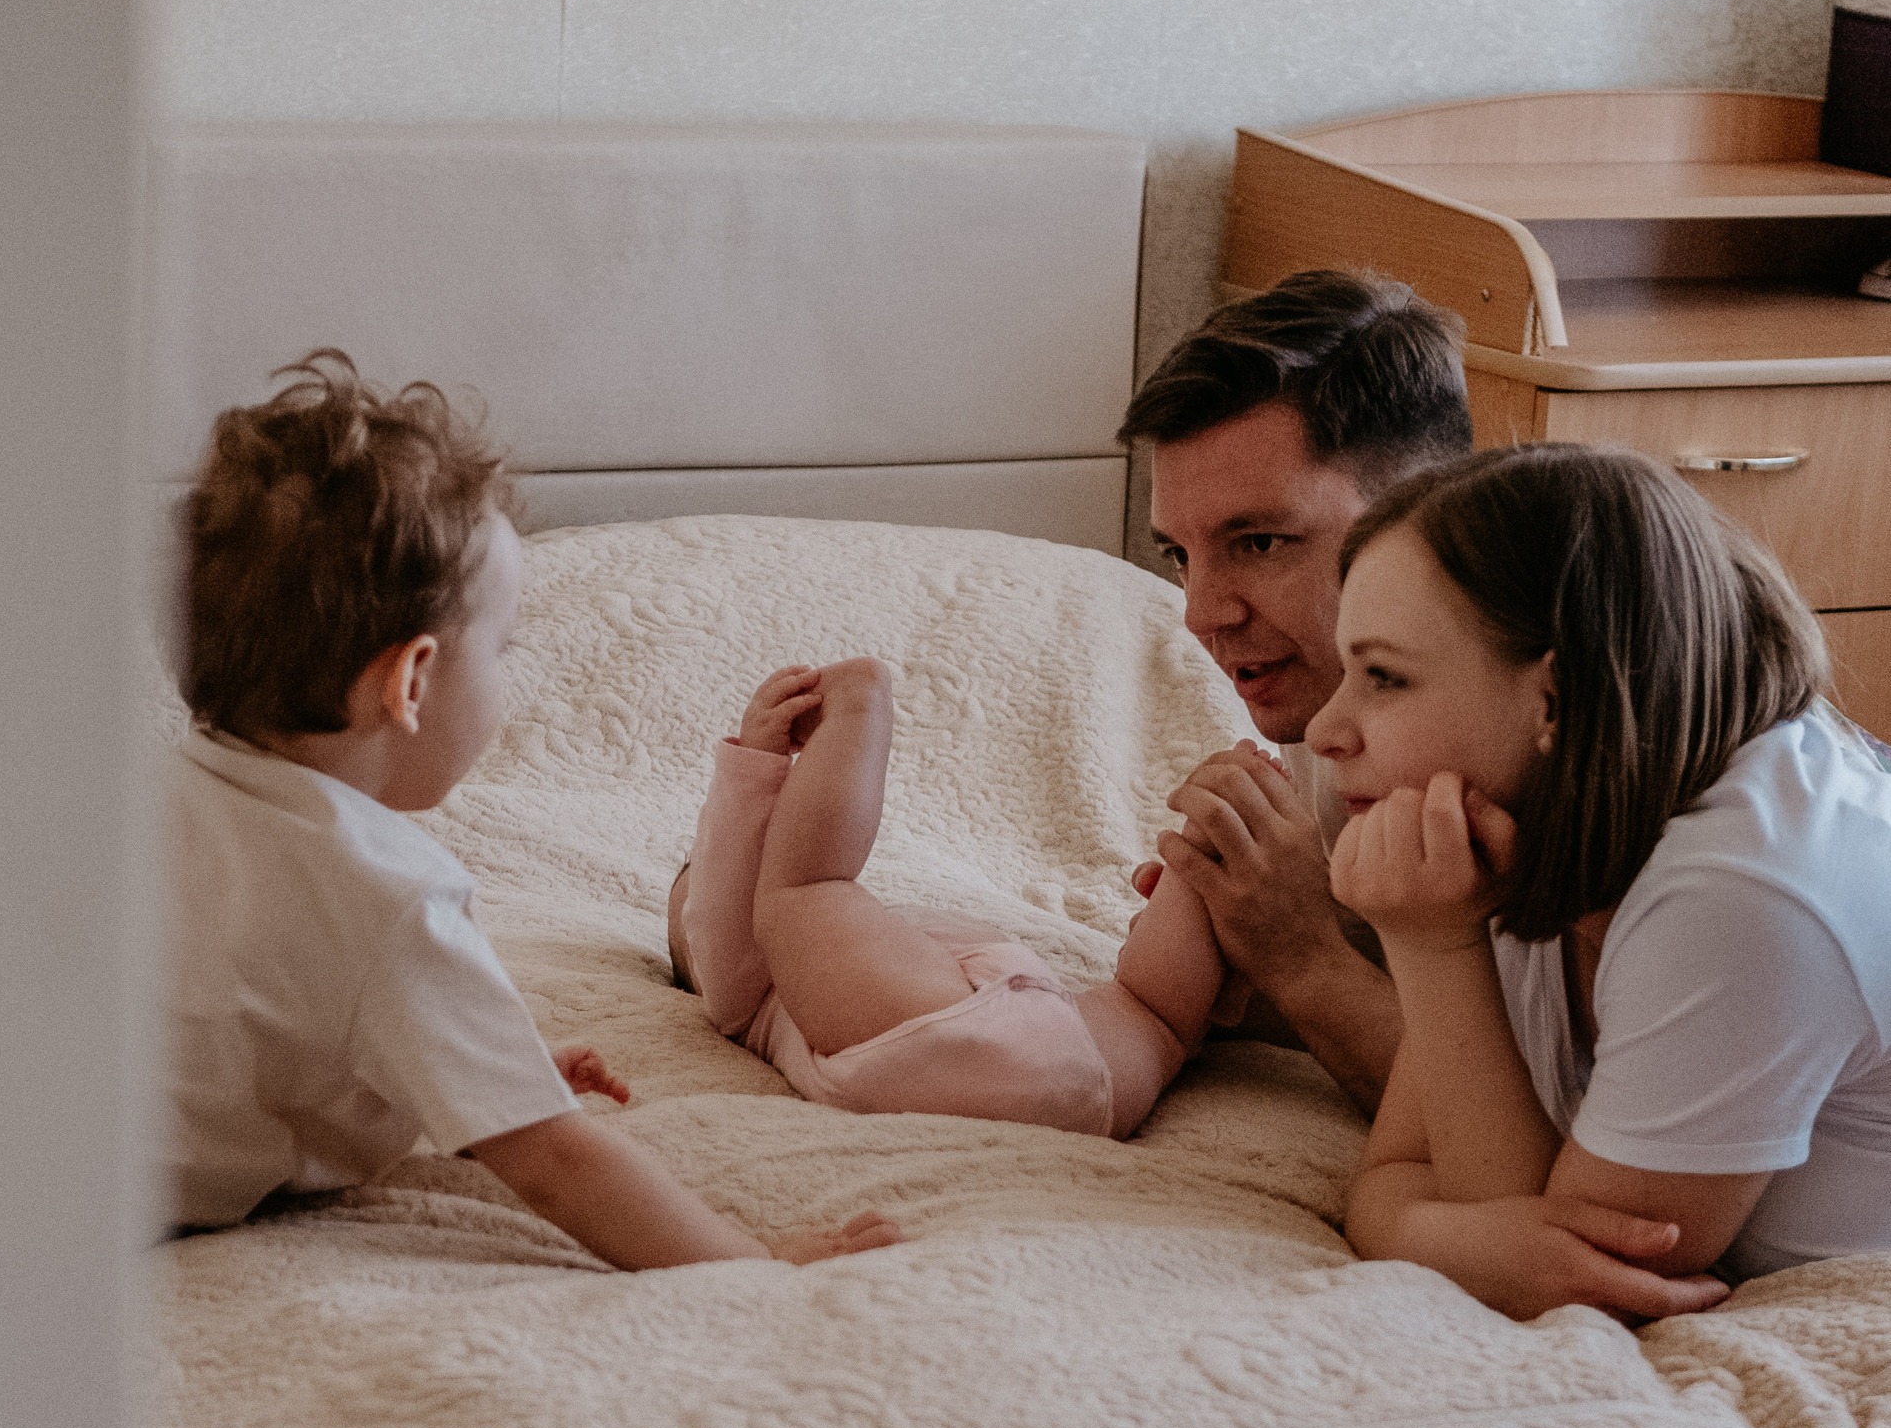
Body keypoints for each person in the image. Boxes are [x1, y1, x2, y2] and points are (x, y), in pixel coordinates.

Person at [164, 351, 893, 1268]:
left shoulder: (146, 801)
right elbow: (553, 1158)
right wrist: (754, 1263)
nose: (508, 679)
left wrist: (472, 1072)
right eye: (502, 650)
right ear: (413, 681)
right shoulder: (389, 897)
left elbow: (245, 1019)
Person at [1315, 442, 1891, 1316]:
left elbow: (1582, 1278)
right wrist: (1398, 1220)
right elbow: (1411, 1182)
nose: (1325, 728)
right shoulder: (1537, 813)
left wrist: (1429, 949)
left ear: (1553, 696)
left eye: (1383, 677)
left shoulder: (1740, 893)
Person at [1118, 269, 1472, 1113]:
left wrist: (1298, 954)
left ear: (1428, 517)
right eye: (1178, 555)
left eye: (1262, 542)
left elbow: (1544, 1137)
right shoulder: (1334, 720)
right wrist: (1235, 971)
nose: (1200, 614)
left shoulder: (1550, 752)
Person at [668, 656, 1225, 1138]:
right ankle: (858, 708)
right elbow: (722, 916)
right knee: (803, 886)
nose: (741, 871)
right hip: (1053, 1067)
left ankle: (1219, 846)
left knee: (1152, 1012)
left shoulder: (843, 970)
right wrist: (754, 766)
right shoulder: (742, 998)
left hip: (1059, 1070)